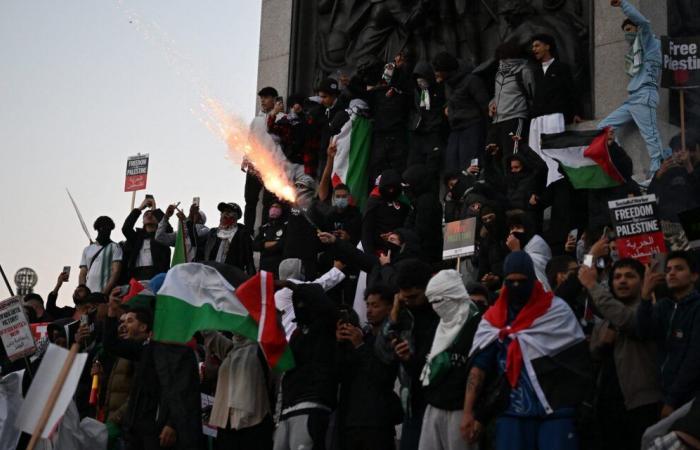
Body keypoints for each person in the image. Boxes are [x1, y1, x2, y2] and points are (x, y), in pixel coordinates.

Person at [463, 251, 590, 450]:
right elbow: (479, 368)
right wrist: (468, 412)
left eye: (521, 281)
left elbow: (577, 360)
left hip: (556, 410)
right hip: (513, 413)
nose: (516, 287)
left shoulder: (556, 311)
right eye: (510, 281)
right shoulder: (493, 320)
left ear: (532, 279)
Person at [579, 258, 662, 450]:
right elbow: (594, 353)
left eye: (629, 276)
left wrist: (592, 284)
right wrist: (601, 344)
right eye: (617, 277)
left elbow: (627, 320)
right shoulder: (607, 315)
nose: (622, 281)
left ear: (643, 281)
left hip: (642, 404)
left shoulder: (649, 311)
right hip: (608, 403)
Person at [104, 291, 203, 450]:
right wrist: (111, 311)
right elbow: (111, 345)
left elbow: (185, 391)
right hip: (135, 432)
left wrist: (171, 424)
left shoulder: (182, 352)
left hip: (159, 433)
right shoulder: (148, 349)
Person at [527, 33, 580, 250]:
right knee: (537, 155)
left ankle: (553, 183)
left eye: (537, 45)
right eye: (533, 46)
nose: (534, 49)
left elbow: (571, 91)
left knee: (553, 156)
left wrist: (576, 112)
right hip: (537, 118)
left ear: (548, 46)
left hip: (555, 116)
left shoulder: (562, 68)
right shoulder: (534, 71)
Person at [598, 0, 663, 176]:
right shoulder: (634, 52)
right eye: (624, 31)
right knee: (603, 128)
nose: (626, 35)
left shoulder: (650, 44)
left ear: (637, 30)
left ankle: (659, 172)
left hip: (644, 95)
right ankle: (619, 163)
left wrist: (623, 5)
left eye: (629, 30)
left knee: (651, 137)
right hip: (633, 98)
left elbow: (644, 23)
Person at [418, 270, 481, 450]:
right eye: (432, 303)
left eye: (439, 301)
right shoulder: (439, 326)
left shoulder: (478, 324)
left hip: (461, 411)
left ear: (453, 296)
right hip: (434, 407)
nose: (436, 307)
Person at [335, 283, 402, 450]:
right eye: (368, 305)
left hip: (377, 423)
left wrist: (360, 346)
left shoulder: (392, 338)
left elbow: (382, 376)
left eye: (375, 305)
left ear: (388, 308)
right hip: (352, 422)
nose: (369, 310)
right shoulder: (362, 337)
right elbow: (342, 374)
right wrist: (340, 344)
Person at [274, 283, 338, 450]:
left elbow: (320, 302)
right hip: (288, 408)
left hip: (313, 405)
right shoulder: (296, 335)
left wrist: (290, 285)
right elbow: (286, 373)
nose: (300, 307)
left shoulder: (326, 327)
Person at [637, 251, 700, 418]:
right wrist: (645, 297)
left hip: (689, 396)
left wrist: (672, 400)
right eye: (669, 269)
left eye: (679, 268)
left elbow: (694, 358)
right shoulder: (664, 306)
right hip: (662, 394)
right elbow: (643, 333)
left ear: (694, 276)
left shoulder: (697, 308)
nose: (671, 273)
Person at [383, 259, 438, 450]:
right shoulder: (403, 315)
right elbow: (382, 352)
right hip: (412, 404)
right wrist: (395, 313)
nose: (409, 301)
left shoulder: (441, 313)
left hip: (437, 402)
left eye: (414, 297)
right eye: (404, 297)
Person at [201, 330, 273, 450]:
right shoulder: (231, 349)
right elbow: (210, 334)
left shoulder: (262, 350)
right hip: (227, 426)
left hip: (254, 424)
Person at [432, 51, 490, 173]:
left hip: (472, 128)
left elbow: (485, 106)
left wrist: (489, 135)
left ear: (447, 70)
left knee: (470, 165)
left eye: (438, 70)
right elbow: (456, 99)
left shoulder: (471, 80)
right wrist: (448, 107)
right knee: (452, 166)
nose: (436, 73)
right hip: (456, 129)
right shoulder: (449, 83)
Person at [243, 86, 281, 233]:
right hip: (255, 164)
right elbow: (250, 141)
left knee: (268, 201)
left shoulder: (281, 118)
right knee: (250, 200)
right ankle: (248, 232)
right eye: (261, 98)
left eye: (266, 97)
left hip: (271, 167)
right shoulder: (256, 120)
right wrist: (246, 158)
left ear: (274, 99)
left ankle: (265, 231)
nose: (263, 101)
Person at [488, 41, 533, 158]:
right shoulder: (499, 73)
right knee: (493, 155)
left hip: (514, 118)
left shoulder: (524, 71)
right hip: (497, 120)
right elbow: (498, 94)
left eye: (504, 58)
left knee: (513, 155)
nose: (502, 61)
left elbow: (532, 93)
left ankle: (515, 176)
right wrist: (492, 104)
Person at [409, 60, 447, 171]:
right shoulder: (417, 92)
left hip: (434, 131)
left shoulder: (439, 88)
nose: (419, 81)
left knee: (434, 164)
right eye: (417, 78)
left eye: (422, 77)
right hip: (420, 131)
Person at [361, 169, 410, 255]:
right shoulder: (373, 203)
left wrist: (396, 234)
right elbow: (366, 233)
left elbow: (407, 226)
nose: (391, 191)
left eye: (393, 188)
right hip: (377, 252)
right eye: (388, 188)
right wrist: (372, 259)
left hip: (399, 251)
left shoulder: (404, 204)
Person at [122, 197, 171, 281]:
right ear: (143, 221)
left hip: (157, 276)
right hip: (137, 276)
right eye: (146, 214)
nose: (149, 215)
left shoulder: (162, 237)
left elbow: (168, 228)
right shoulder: (136, 238)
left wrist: (155, 209)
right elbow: (126, 228)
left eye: (152, 214)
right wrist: (140, 208)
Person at [402, 165, 443, 263]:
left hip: (426, 256)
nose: (405, 190)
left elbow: (422, 232)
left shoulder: (426, 202)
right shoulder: (419, 200)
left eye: (408, 185)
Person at [202, 202, 255, 275]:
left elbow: (249, 260)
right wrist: (189, 221)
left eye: (229, 212)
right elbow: (198, 247)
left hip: (232, 277)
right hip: (211, 274)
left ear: (236, 216)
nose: (225, 214)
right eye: (223, 211)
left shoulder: (243, 234)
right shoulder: (213, 233)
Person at [506, 213, 552, 290]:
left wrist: (516, 253)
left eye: (518, 227)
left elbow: (540, 286)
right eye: (511, 228)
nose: (513, 232)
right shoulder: (524, 251)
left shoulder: (536, 253)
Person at [80, 215, 123, 294]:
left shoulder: (115, 247)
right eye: (103, 227)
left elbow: (116, 272)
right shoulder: (87, 249)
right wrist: (82, 292)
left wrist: (104, 293)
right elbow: (83, 273)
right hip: (88, 294)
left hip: (104, 294)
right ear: (98, 228)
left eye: (109, 228)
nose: (106, 230)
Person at [253, 201, 287, 276]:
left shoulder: (286, 226)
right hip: (264, 267)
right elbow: (255, 245)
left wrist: (265, 244)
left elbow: (284, 243)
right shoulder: (264, 228)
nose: (274, 209)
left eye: (277, 207)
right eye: (272, 207)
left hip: (279, 266)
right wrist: (268, 244)